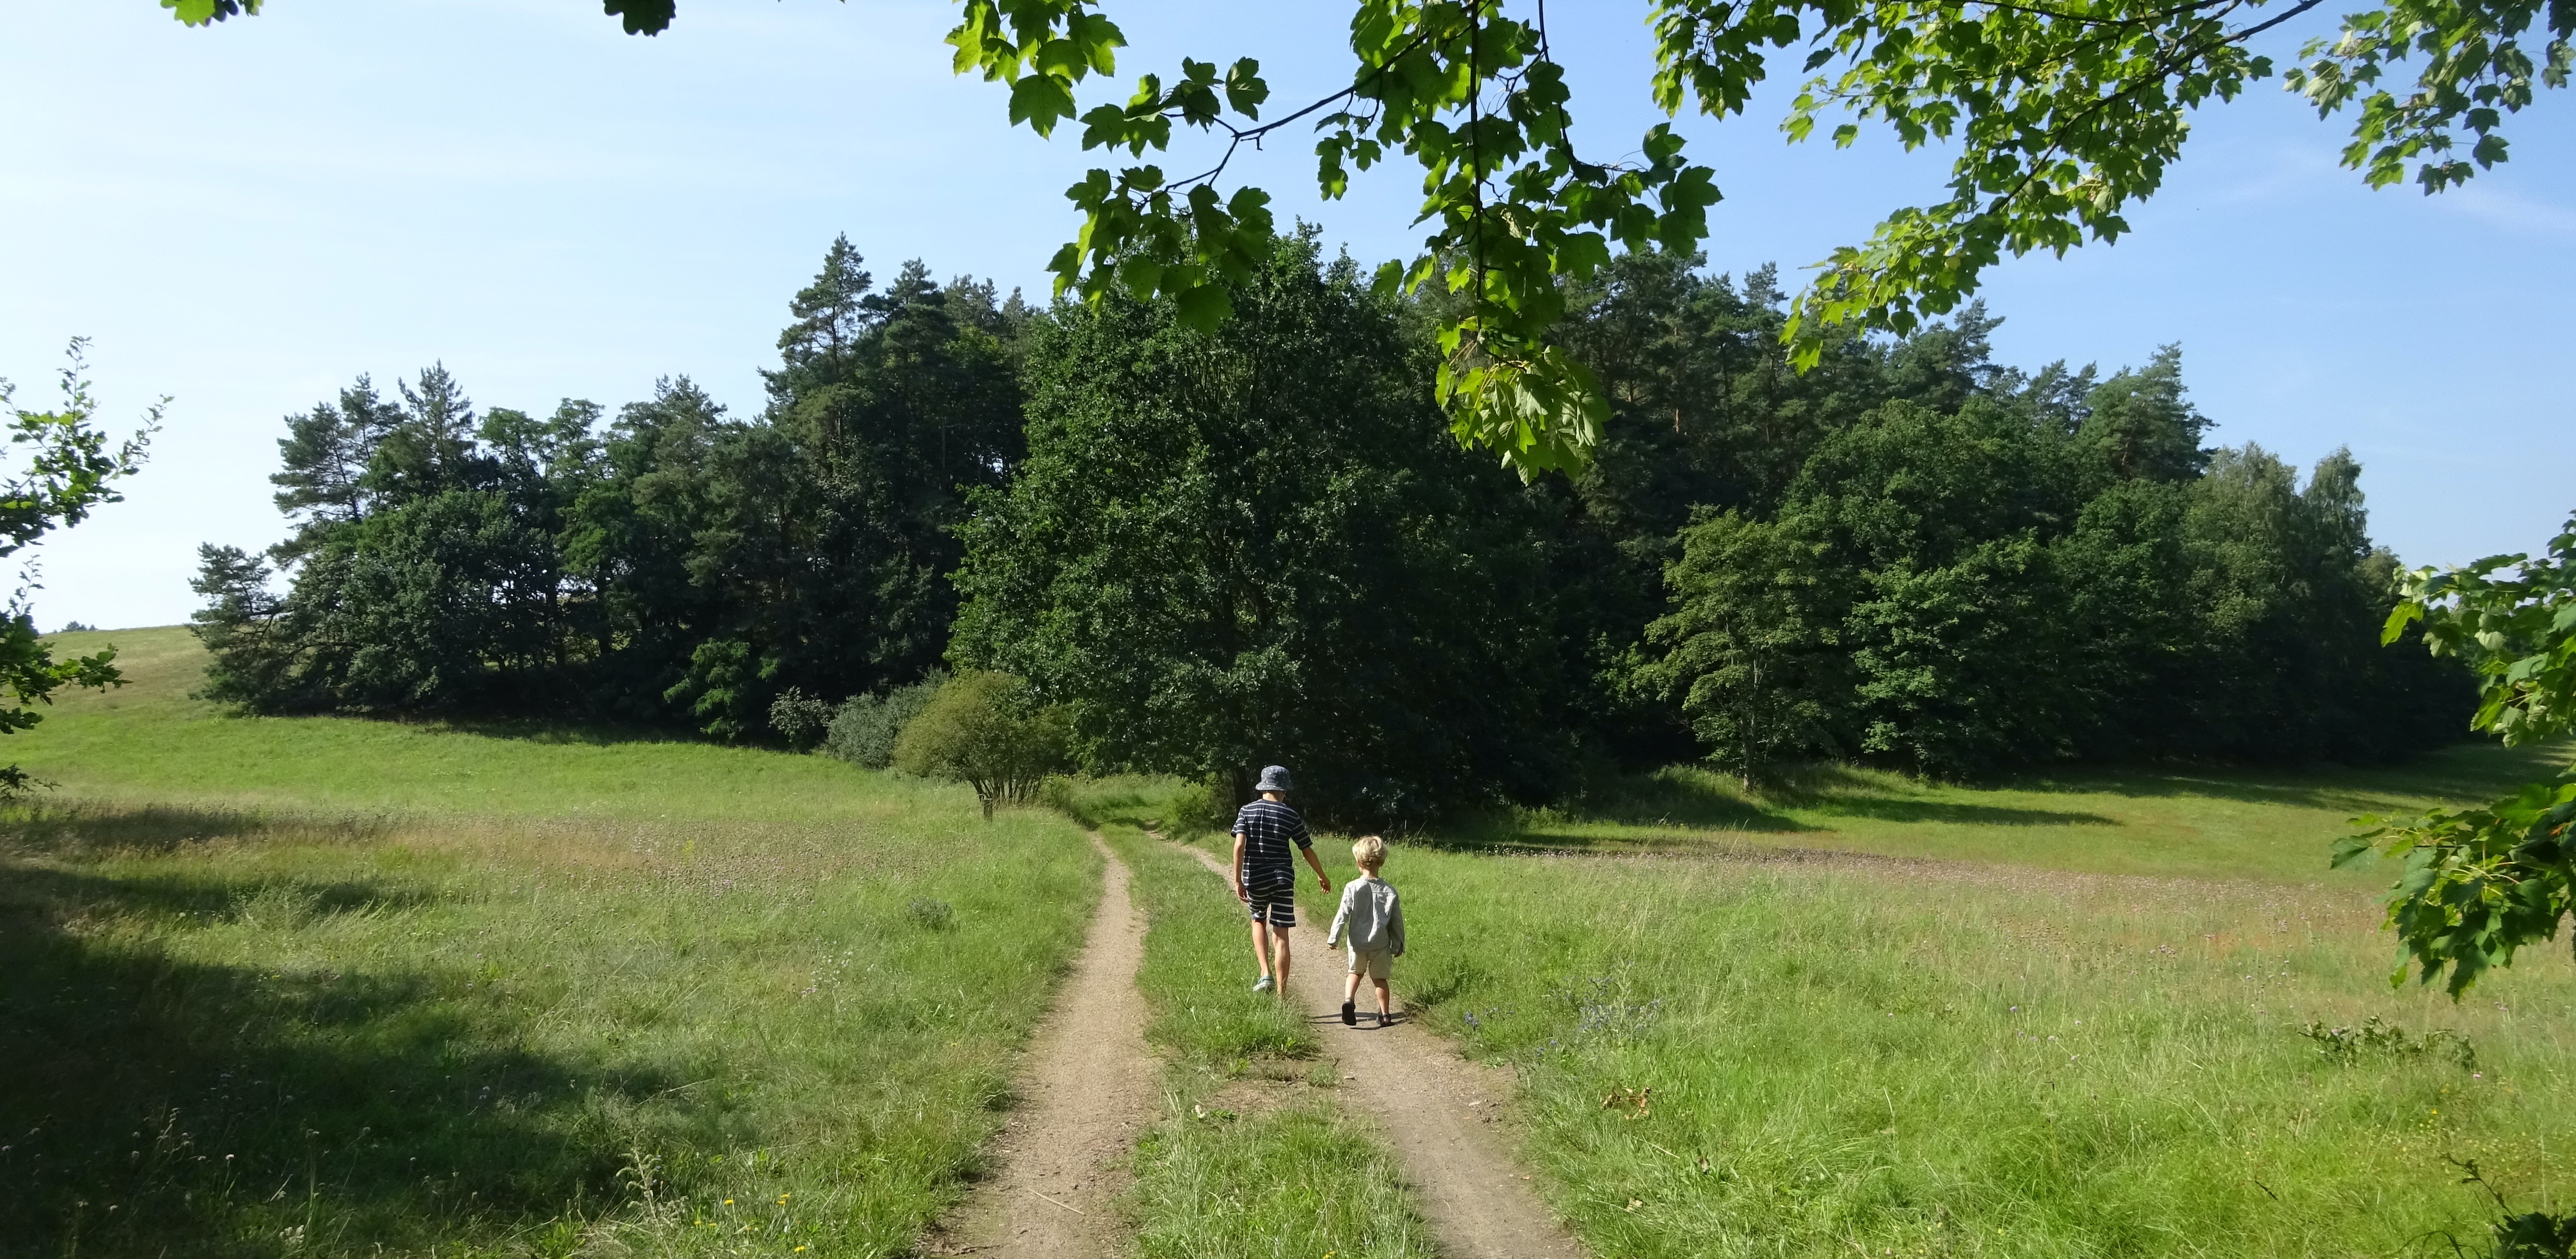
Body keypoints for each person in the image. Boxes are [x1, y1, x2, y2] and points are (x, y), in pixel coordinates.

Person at [1231, 764, 1331, 994]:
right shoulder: (1290, 815)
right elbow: (1306, 850)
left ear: (1263, 787)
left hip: (1255, 878)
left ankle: (1265, 974)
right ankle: (1281, 995)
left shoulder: (1247, 811)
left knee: (1258, 920)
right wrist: (1322, 875)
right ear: (1285, 789)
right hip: (1283, 879)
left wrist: (1238, 880)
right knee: (1282, 934)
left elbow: (1239, 845)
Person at [1325, 834, 1405, 1025]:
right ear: (1382, 862)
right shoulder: (1389, 891)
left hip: (1357, 943)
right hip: (1380, 943)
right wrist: (1399, 943)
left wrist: (1334, 937)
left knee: (1355, 973)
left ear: (1358, 862)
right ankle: (1385, 1015)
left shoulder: (1352, 887)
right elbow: (1396, 921)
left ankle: (1349, 1001)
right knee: (1380, 979)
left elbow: (1342, 914)